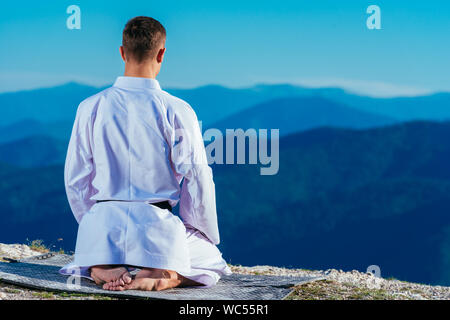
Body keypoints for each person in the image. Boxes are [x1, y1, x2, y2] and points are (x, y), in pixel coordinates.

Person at [59, 16, 231, 291]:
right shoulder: (178, 110)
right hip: (156, 227)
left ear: (122, 52)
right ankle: (165, 274)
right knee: (211, 259)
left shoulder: (90, 107)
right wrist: (198, 231)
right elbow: (197, 177)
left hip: (103, 226)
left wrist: (93, 225)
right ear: (162, 53)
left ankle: (100, 265)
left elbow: (75, 179)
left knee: (99, 244)